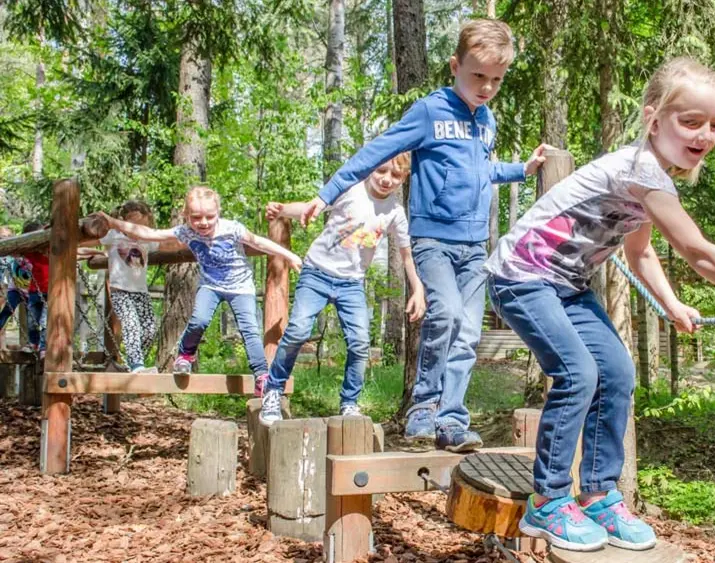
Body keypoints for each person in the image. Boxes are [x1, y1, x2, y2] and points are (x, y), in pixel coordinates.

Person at [484, 57, 715, 552]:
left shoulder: (650, 177)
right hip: (521, 276)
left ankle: (598, 494)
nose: (705, 134)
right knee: (578, 373)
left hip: (568, 283)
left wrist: (671, 303)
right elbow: (699, 252)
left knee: (617, 373)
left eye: (714, 124)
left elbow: (640, 252)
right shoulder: (641, 172)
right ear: (653, 119)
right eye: (691, 121)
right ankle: (549, 503)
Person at [296, 19, 550, 451]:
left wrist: (519, 170)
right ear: (455, 66)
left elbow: (481, 169)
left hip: (474, 247)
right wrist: (328, 193)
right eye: (478, 77)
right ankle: (424, 407)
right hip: (433, 239)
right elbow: (376, 151)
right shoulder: (431, 111)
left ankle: (452, 419)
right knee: (446, 314)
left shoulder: (486, 119)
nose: (486, 87)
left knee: (469, 333)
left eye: (496, 80)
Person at [258, 153, 426, 425]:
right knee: (298, 330)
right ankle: (273, 389)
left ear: (403, 178)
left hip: (352, 283)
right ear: (372, 168)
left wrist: (417, 289)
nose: (386, 179)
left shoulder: (395, 211)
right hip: (317, 272)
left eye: (395, 175)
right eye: (381, 170)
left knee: (360, 342)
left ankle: (349, 403)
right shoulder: (351, 188)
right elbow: (310, 207)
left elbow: (407, 256)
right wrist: (280, 210)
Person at [100, 186, 302, 394]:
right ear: (186, 216)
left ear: (218, 213)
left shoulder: (232, 228)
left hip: (241, 288)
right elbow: (149, 233)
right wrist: (113, 222)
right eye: (196, 217)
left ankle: (261, 375)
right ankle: (185, 355)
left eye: (209, 216)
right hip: (210, 286)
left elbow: (259, 242)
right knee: (199, 320)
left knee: (249, 329)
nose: (203, 222)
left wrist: (289, 255)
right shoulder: (185, 232)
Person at [99, 201, 160, 373]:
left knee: (150, 329)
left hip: (141, 292)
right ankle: (137, 365)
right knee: (131, 324)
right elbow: (88, 240)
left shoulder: (147, 240)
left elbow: (167, 244)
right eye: (134, 226)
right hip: (120, 291)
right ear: (123, 222)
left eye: (143, 227)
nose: (137, 232)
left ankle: (133, 359)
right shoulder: (113, 235)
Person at [0, 222, 49, 357]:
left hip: (37, 290)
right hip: (19, 288)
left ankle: (39, 345)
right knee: (10, 313)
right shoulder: (25, 252)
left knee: (39, 320)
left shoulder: (45, 253)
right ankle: (33, 343)